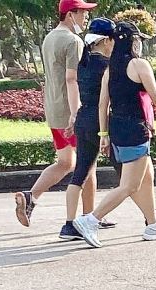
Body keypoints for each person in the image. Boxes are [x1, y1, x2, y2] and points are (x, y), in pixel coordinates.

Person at [73, 21, 156, 247]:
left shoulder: (111, 69)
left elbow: (102, 105)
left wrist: (104, 134)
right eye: (138, 40)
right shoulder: (139, 65)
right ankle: (91, 219)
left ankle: (152, 224)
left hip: (118, 128)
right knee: (129, 185)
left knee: (147, 177)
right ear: (132, 42)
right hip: (135, 130)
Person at [13, 0, 95, 228]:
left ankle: (31, 196)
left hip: (53, 106)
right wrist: (76, 112)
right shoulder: (73, 41)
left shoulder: (49, 38)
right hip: (70, 109)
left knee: (65, 162)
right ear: (70, 14)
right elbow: (71, 79)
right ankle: (90, 217)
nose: (85, 17)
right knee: (88, 162)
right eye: (82, 12)